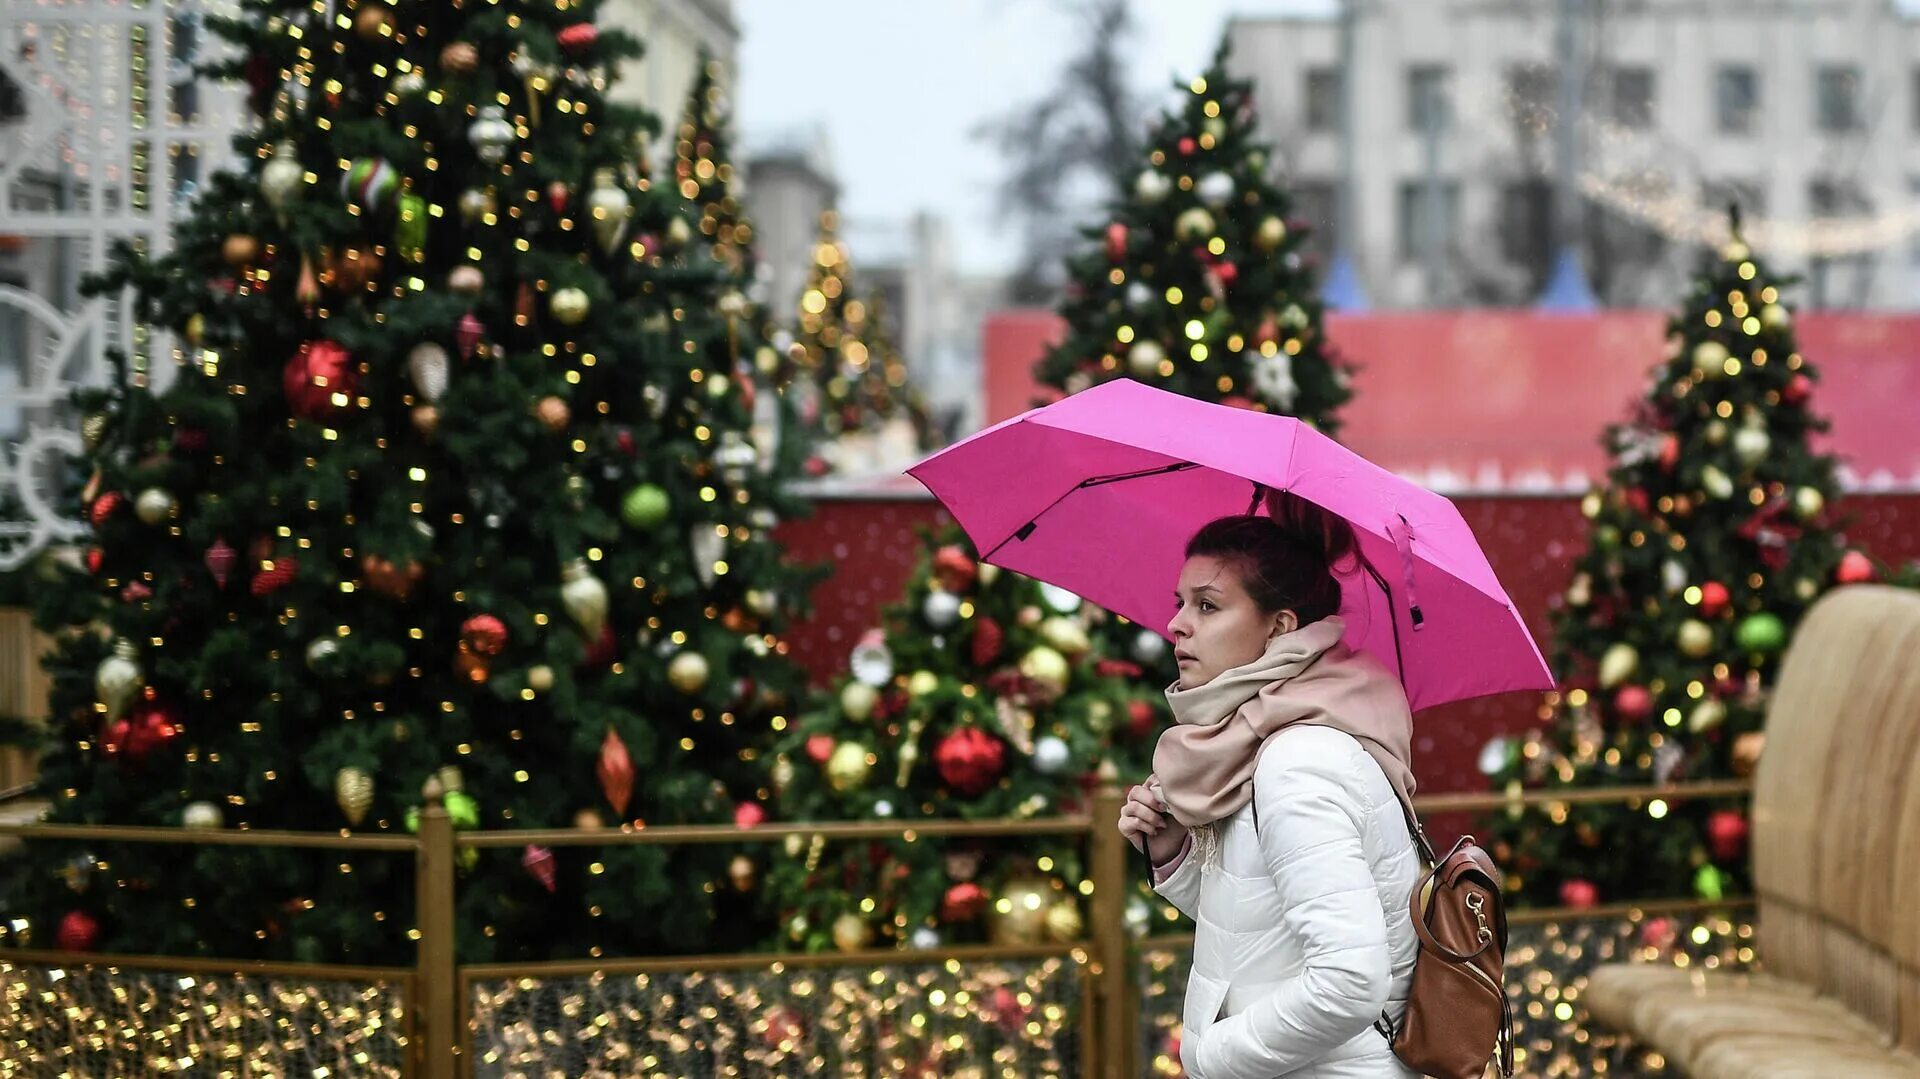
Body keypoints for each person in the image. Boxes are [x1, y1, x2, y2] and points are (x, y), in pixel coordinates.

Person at [1116, 494, 1423, 1079]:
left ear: (1280, 627)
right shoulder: (1274, 732)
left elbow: (1350, 982)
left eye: (1208, 606)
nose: (1177, 623)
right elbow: (1268, 929)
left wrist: (1210, 1056)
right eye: (1179, 602)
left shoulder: (1298, 758)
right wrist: (1176, 853)